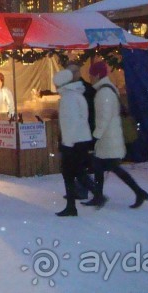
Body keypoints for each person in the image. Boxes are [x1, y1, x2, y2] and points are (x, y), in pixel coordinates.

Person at [83, 61, 148, 209]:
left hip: (108, 138)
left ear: (98, 75)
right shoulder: (105, 90)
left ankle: (138, 192)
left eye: (91, 74)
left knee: (112, 167)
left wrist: (96, 136)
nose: (90, 77)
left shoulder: (104, 93)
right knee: (101, 166)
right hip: (108, 138)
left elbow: (104, 117)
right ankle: (99, 196)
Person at [53, 69, 96, 217]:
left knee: (69, 173)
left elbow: (69, 123)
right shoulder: (77, 94)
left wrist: (67, 143)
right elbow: (81, 118)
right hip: (81, 139)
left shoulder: (68, 98)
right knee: (76, 171)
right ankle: (92, 194)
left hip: (73, 141)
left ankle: (73, 205)